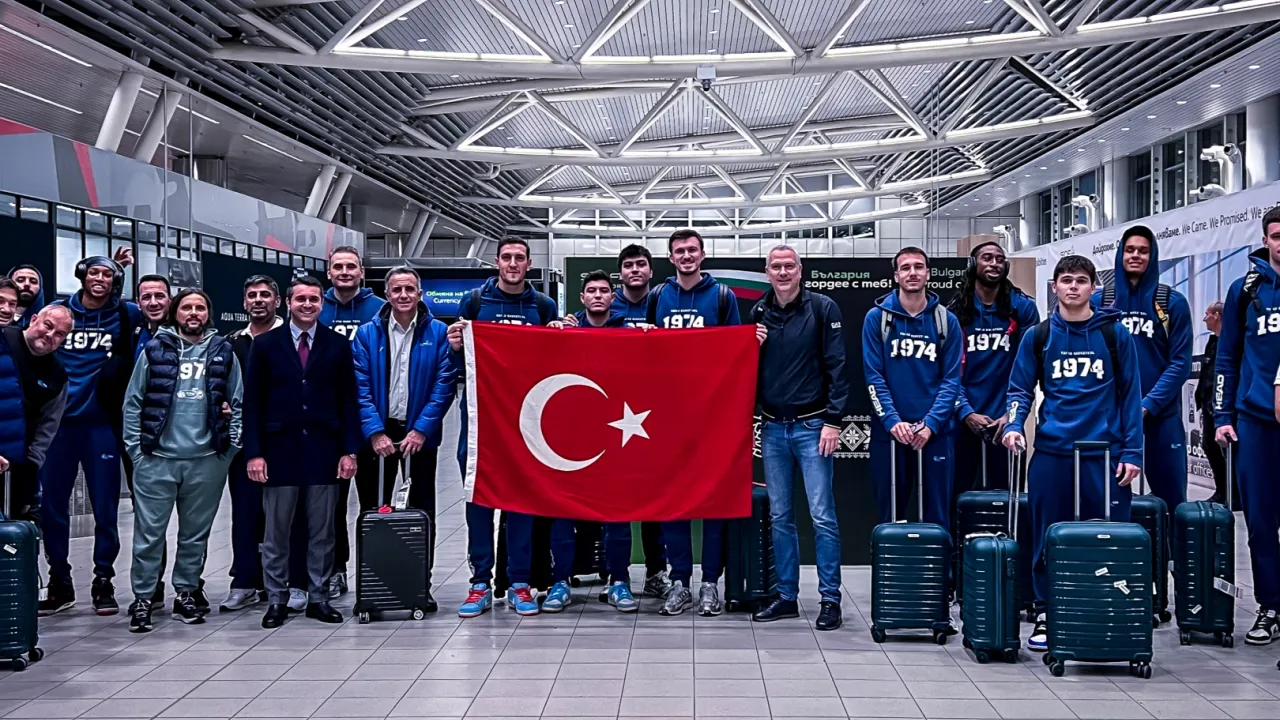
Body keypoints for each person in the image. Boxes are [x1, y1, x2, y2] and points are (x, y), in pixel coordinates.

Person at [1003, 255, 1144, 652]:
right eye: (1066, 280)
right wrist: (1014, 425)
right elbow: (1019, 390)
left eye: (1081, 280)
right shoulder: (1039, 336)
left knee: (1107, 538)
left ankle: (1104, 612)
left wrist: (1133, 451)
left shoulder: (1115, 335)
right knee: (1048, 537)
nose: (1073, 287)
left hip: (1104, 456)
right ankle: (1047, 612)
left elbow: (1130, 396)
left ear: (1093, 288)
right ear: (1055, 287)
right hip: (1053, 454)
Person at [645, 229, 763, 617]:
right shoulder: (658, 297)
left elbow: (735, 350)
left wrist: (751, 341)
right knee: (673, 501)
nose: (686, 256)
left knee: (714, 500)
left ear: (703, 254)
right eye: (679, 251)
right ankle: (680, 582)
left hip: (713, 415)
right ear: (670, 257)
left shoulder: (722, 296)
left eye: (692, 250)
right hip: (669, 415)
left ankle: (711, 581)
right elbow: (646, 351)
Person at [447, 236, 559, 619]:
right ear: (496, 262)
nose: (513, 264)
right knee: (478, 500)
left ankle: (519, 582)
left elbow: (554, 365)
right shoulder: (475, 302)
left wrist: (561, 336)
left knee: (521, 503)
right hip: (480, 421)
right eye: (507, 257)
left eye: (519, 258)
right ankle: (479, 582)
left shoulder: (543, 306)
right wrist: (455, 347)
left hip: (526, 423)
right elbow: (460, 365)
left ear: (529, 264)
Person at [243, 275, 361, 629]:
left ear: (322, 303)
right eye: (300, 299)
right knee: (276, 532)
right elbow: (252, 402)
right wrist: (254, 453)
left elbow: (348, 401)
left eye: (313, 299)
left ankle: (319, 596)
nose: (307, 305)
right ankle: (276, 599)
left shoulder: (337, 345)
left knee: (322, 531)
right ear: (288, 303)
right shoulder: (265, 345)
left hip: (325, 452)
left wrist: (349, 451)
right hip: (278, 451)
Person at [122, 290, 242, 632]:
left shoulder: (223, 350)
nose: (193, 313)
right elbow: (133, 402)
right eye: (187, 307)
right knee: (149, 536)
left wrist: (229, 450)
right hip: (156, 459)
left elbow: (238, 401)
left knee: (194, 535)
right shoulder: (154, 349)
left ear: (208, 313)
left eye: (200, 307)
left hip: (206, 460)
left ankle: (186, 593)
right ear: (175, 313)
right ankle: (143, 598)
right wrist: (136, 451)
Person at [750, 246, 847, 631]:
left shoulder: (823, 308)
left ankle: (830, 599)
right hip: (773, 428)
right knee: (780, 517)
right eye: (776, 266)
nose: (783, 272)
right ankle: (786, 596)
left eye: (789, 266)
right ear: (767, 271)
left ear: (800, 269)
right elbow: (745, 369)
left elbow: (838, 367)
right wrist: (750, 346)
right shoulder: (758, 312)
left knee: (822, 516)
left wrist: (833, 421)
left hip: (813, 427)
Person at [39, 256, 143, 616]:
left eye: (107, 274)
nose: (100, 279)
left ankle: (103, 579)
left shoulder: (126, 314)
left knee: (106, 507)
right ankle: (59, 579)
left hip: (101, 425)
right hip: (58, 425)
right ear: (82, 276)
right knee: (52, 507)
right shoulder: (59, 312)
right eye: (94, 272)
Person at [352, 266, 457, 614]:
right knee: (374, 511)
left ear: (420, 293)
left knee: (421, 511)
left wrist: (422, 429)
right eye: (396, 289)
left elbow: (444, 384)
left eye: (410, 289)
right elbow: (360, 386)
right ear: (387, 294)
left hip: (419, 438)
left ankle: (419, 585)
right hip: (377, 437)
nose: (403, 295)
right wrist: (374, 431)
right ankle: (374, 587)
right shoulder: (367, 334)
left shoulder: (438, 333)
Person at [862, 247, 962, 607]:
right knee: (890, 516)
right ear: (896, 276)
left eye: (919, 267)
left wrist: (930, 425)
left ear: (928, 274)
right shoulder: (877, 318)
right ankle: (892, 589)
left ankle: (938, 591)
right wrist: (893, 422)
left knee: (937, 516)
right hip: (890, 435)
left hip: (935, 435)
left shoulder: (946, 321)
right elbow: (873, 375)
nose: (913, 273)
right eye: (905, 268)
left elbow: (952, 381)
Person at [1214, 206, 1280, 646]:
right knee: (1260, 521)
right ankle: (1270, 605)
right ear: (1266, 240)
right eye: (1277, 236)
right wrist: (1222, 416)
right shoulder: (1246, 290)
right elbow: (1227, 357)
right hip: (1256, 421)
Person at [1093, 225, 1192, 513]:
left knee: (1171, 499)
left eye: (1143, 251)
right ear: (1121, 254)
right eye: (1130, 250)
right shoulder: (1101, 302)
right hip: (1112, 415)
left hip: (1161, 415)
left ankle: (1171, 544)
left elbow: (1180, 363)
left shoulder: (1171, 303)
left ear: (1153, 256)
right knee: (1108, 497)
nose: (1136, 255)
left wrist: (1148, 405)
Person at [563, 270, 636, 612]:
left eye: (603, 290)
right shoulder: (566, 332)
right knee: (562, 511)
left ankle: (619, 580)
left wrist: (649, 338)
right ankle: (560, 581)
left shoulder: (628, 332)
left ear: (612, 296)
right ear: (582, 297)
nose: (597, 295)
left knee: (617, 513)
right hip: (572, 438)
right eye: (591, 290)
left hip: (617, 434)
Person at [318, 246, 385, 599]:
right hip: (328, 427)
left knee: (374, 505)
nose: (344, 272)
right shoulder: (317, 308)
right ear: (329, 272)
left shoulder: (380, 310)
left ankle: (374, 571)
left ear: (362, 272)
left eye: (351, 266)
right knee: (332, 507)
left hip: (371, 423)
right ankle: (336, 570)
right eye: (338, 267)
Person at [607, 244, 673, 599]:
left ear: (651, 270)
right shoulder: (607, 303)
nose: (635, 270)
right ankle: (615, 576)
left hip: (655, 413)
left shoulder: (664, 303)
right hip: (612, 416)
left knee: (655, 500)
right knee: (614, 501)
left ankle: (656, 572)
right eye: (629, 265)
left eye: (641, 264)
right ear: (620, 272)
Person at [947, 241, 1039, 492]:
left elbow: (1029, 369)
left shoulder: (1023, 307)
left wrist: (1011, 416)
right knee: (958, 497)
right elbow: (947, 372)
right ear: (972, 264)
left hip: (1005, 421)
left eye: (999, 259)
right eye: (987, 258)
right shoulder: (954, 311)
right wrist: (966, 412)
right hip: (963, 417)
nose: (994, 263)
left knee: (1009, 497)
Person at [0, 305, 71, 527]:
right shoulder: (3, 339)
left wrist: (31, 465)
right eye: (48, 325)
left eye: (59, 334)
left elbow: (48, 426)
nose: (50, 335)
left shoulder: (57, 375)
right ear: (33, 320)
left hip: (17, 467)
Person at [1196, 302, 1230, 506]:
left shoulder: (1230, 343)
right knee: (1209, 447)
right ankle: (1222, 491)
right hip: (1209, 405)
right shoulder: (1212, 342)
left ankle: (1233, 494)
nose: (1204, 318)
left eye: (1207, 314)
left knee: (1227, 452)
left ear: (1217, 315)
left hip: (1222, 407)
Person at [134, 275, 172, 352]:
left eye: (159, 296)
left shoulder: (182, 334)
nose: (153, 303)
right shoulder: (137, 333)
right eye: (146, 297)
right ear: (138, 303)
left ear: (170, 300)